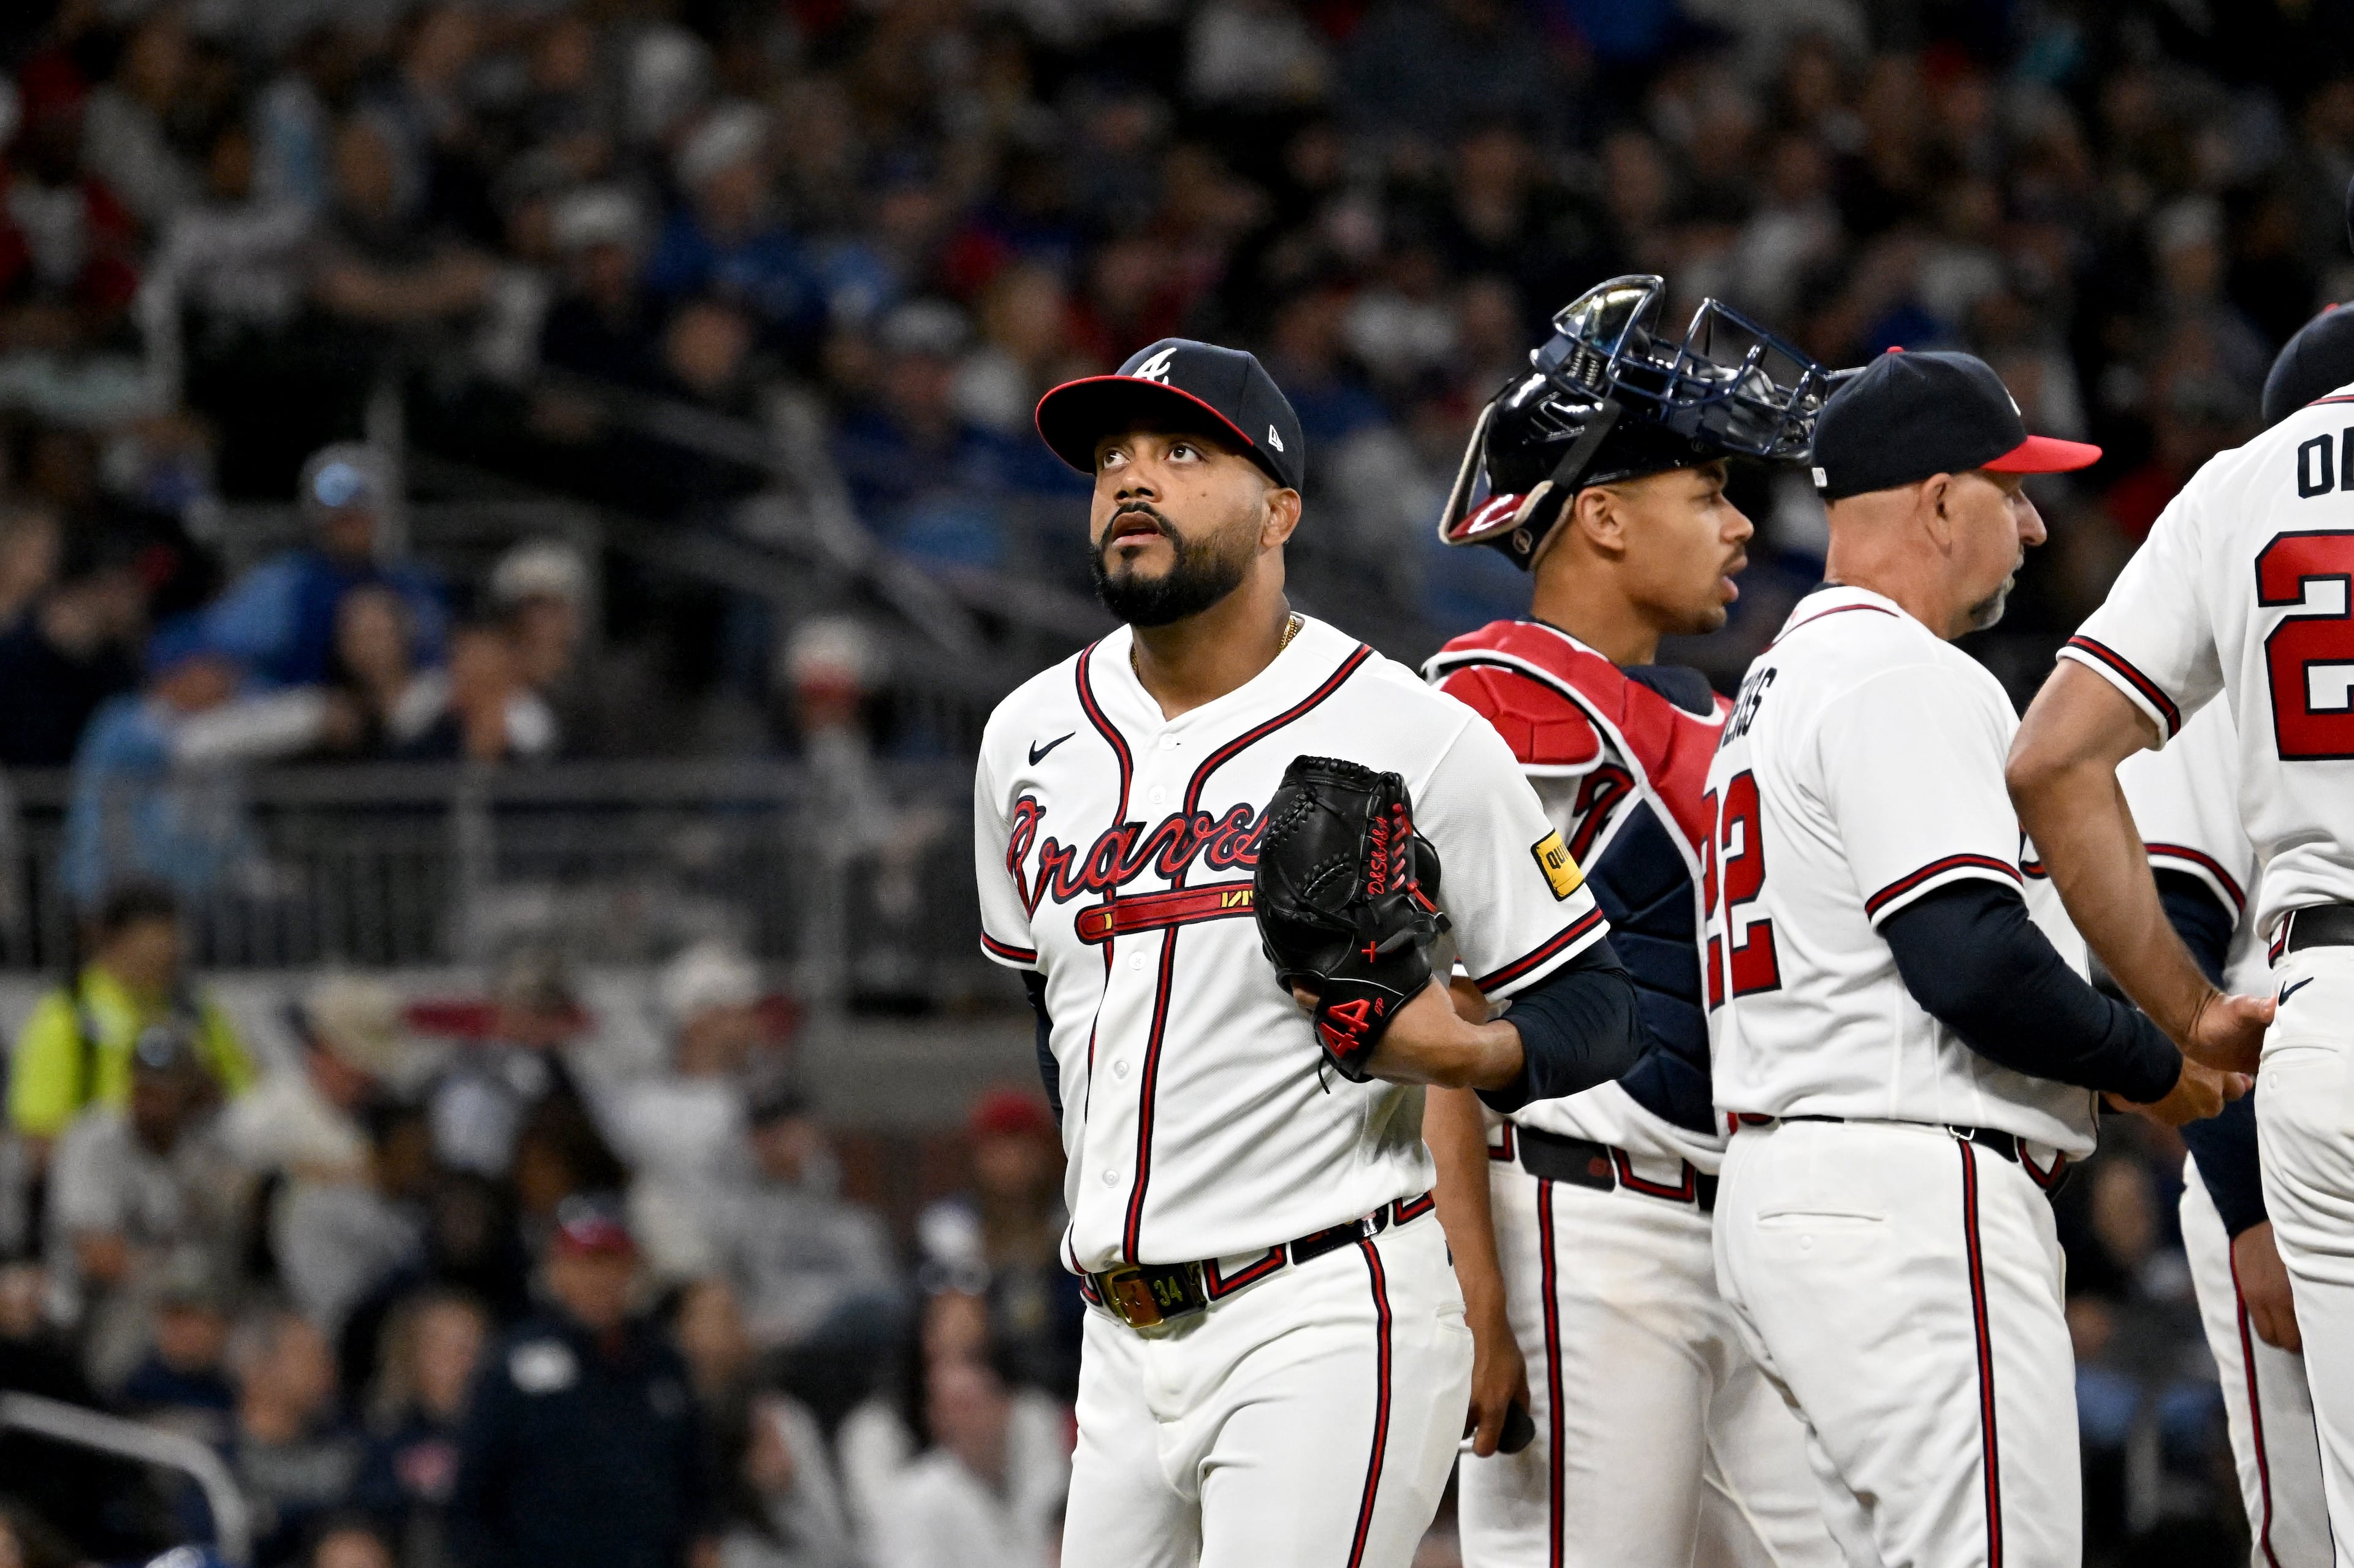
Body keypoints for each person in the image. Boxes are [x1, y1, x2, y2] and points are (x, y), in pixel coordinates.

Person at [977, 338, 1644, 1566]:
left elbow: (1604, 1005)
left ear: (1280, 508)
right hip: (1121, 1342)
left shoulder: (1410, 729)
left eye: (1182, 451)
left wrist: (1471, 1048)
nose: (1134, 479)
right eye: (1112, 457)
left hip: (1327, 1310)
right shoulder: (1026, 735)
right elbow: (1052, 1010)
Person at [1704, 348, 2245, 1567]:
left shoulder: (1776, 684)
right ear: (1940, 500)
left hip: (1789, 1199)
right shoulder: (1900, 671)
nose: (2036, 522)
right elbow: (1972, 962)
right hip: (1906, 1200)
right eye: (2010, 490)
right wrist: (2156, 1065)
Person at [1420, 276, 1840, 1566]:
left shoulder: (1711, 712)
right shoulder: (1490, 704)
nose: (1736, 525)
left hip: (1739, 1235)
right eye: (1706, 493)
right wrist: (1479, 1306)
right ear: (1598, 516)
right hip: (1575, 1236)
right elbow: (1440, 1025)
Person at [2003, 301, 2354, 1554]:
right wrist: (2243, 1202)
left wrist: (2249, 1187)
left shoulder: (2238, 524)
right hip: (2275, 1133)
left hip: (2310, 1053)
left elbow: (2158, 911)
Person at [448, 1196, 717, 1568]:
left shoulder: (663, 1363)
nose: (598, 1279)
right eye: (583, 1263)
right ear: (556, 1271)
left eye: (611, 1262)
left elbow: (695, 1485)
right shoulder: (516, 1364)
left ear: (633, 1269)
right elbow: (472, 1499)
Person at [44, 1025, 253, 1390]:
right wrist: (185, 1287)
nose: (150, 1102)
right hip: (91, 1312)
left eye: (165, 1092)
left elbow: (234, 1232)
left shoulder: (205, 1146)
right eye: (143, 1088)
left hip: (192, 1307)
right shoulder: (94, 1140)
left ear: (191, 1096)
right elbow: (100, 1259)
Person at [9, 881, 254, 1157]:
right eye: (156, 943)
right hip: (101, 1173)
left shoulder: (196, 1011)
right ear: (112, 940)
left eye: (176, 942)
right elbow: (40, 1134)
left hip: (193, 1164)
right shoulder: (67, 1017)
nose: (172, 953)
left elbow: (246, 1103)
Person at [204, 444, 447, 691]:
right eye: (341, 519)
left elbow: (438, 660)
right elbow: (215, 655)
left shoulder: (414, 585)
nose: (350, 526)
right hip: (304, 713)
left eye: (359, 517)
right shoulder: (283, 585)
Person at [711, 1082, 899, 1352]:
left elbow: (882, 1299)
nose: (782, 1140)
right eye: (767, 1131)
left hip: (852, 1350)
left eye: (790, 1126)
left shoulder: (855, 1223)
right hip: (774, 1353)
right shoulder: (731, 1221)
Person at [867, 1354, 1065, 1568]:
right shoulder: (915, 1498)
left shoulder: (1045, 1475)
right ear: (937, 1420)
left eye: (982, 1402)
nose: (976, 1419)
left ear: (1005, 1407)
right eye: (960, 1408)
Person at [354, 1289, 489, 1568]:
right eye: (445, 1345)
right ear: (414, 1354)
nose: (461, 1358)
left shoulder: (506, 1428)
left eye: (471, 1345)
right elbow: (364, 1505)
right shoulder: (389, 1433)